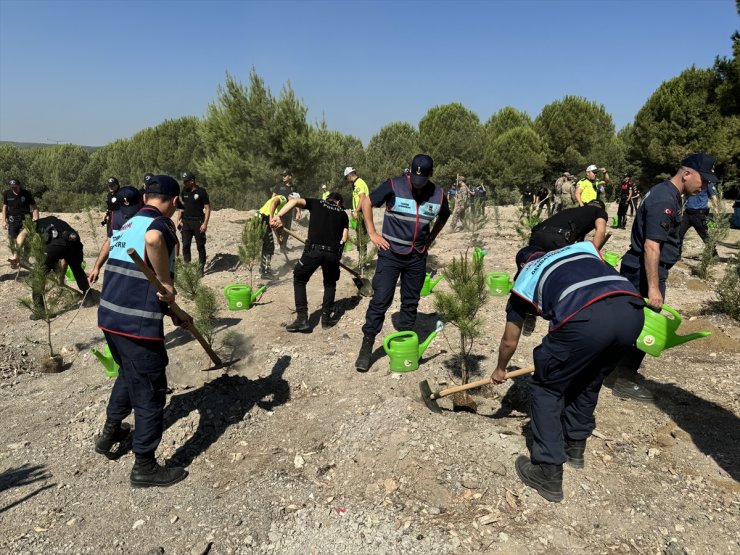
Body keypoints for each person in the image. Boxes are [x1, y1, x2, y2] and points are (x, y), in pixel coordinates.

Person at [490, 242, 644, 502]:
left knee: (547, 388)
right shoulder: (578, 250)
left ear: (520, 266)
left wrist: (500, 368)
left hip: (586, 318)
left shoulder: (526, 277)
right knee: (590, 377)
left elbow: (509, 341)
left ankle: (547, 472)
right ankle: (575, 447)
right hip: (632, 310)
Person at [95, 174, 189, 488]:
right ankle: (145, 467)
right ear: (175, 201)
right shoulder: (160, 226)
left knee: (127, 372)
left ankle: (110, 433)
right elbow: (153, 247)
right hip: (136, 326)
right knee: (150, 392)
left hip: (110, 317)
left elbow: (137, 277)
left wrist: (174, 312)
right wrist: (168, 286)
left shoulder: (127, 224)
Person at [609, 153, 717, 402]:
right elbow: (651, 246)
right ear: (686, 173)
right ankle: (624, 379)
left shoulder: (670, 195)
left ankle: (614, 373)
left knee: (632, 322)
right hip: (645, 272)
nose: (704, 186)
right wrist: (654, 288)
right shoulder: (664, 199)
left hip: (644, 269)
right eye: (703, 180)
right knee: (645, 324)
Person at [354, 154, 450, 372]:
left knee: (411, 301)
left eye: (422, 181)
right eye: (414, 180)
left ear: (430, 175)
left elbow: (444, 216)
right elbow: (366, 201)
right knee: (381, 299)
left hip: (417, 256)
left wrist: (431, 237)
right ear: (410, 172)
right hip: (391, 254)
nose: (417, 185)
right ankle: (367, 346)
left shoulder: (438, 194)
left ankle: (404, 341)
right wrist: (372, 232)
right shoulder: (394, 185)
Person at [271, 192, 349, 332]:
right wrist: (337, 256)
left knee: (299, 278)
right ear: (338, 202)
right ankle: (326, 320)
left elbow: (294, 202)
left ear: (329, 199)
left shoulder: (317, 202)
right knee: (330, 284)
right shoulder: (343, 214)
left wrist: (278, 216)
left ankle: (302, 319)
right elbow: (344, 238)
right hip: (332, 254)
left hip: (314, 251)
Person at [10, 216, 90, 310]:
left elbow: (22, 235)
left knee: (38, 276)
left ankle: (40, 311)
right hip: (75, 244)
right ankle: (88, 295)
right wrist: (61, 277)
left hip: (57, 245)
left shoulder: (35, 223)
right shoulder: (54, 222)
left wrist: (16, 255)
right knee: (77, 269)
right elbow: (65, 258)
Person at [88, 186, 143, 284]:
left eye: (132, 209)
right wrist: (97, 267)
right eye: (125, 209)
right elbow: (110, 241)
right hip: (117, 272)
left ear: (141, 201)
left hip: (139, 272)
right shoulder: (115, 215)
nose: (129, 215)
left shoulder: (147, 217)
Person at [528, 200, 608, 252]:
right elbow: (600, 231)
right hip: (556, 239)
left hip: (536, 235)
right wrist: (593, 253)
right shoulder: (599, 211)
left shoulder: (571, 210)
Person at [176, 172, 210, 273]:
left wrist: (205, 224)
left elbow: (207, 208)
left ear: (192, 181)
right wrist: (178, 220)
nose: (184, 183)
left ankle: (201, 268)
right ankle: (187, 268)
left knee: (200, 245)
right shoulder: (184, 192)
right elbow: (181, 207)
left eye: (186, 181)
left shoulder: (201, 192)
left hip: (198, 222)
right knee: (185, 245)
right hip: (186, 222)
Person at [678, 180, 719, 253]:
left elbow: (713, 197)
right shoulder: (690, 182)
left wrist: (716, 211)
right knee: (679, 234)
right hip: (687, 213)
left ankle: (713, 255)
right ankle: (676, 255)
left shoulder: (707, 183)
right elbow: (684, 196)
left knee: (705, 236)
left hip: (699, 214)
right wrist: (681, 209)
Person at [257, 193, 289, 278]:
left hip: (261, 219)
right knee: (269, 247)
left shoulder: (281, 208)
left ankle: (263, 268)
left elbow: (275, 226)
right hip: (263, 219)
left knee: (267, 245)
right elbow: (274, 201)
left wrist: (279, 237)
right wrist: (271, 218)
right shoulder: (284, 199)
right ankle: (266, 272)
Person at [3, 178, 39, 245]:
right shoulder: (7, 193)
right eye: (12, 187)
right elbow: (5, 207)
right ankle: (15, 255)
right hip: (12, 220)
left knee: (26, 241)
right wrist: (3, 221)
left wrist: (36, 218)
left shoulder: (26, 193)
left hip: (25, 220)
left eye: (15, 187)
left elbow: (34, 206)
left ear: (19, 186)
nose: (14, 189)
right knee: (13, 241)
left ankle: (25, 255)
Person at [345, 167, 369, 259]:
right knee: (360, 236)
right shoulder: (357, 183)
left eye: (346, 177)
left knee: (361, 237)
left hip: (361, 213)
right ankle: (362, 258)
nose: (346, 180)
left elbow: (362, 197)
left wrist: (356, 211)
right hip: (360, 212)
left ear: (349, 175)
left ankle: (363, 260)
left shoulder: (358, 183)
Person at [273, 170, 301, 251]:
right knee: (279, 227)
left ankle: (284, 245)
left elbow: (297, 199)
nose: (283, 177)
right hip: (279, 211)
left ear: (290, 177)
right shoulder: (279, 186)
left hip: (289, 212)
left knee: (287, 229)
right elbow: (273, 197)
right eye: (283, 175)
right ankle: (279, 244)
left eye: (285, 175)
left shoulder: (294, 188)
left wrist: (299, 212)